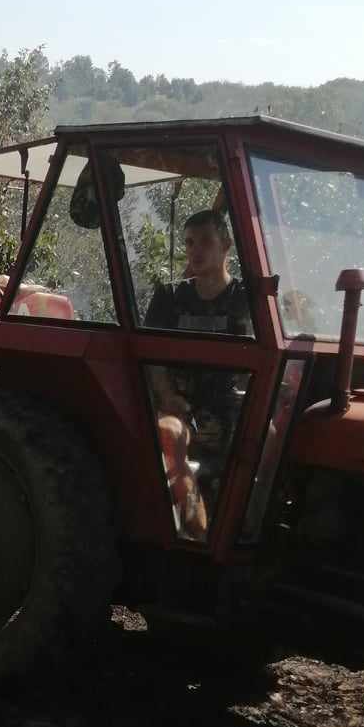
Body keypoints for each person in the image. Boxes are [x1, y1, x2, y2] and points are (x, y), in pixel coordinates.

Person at [145, 206, 252, 530]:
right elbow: (152, 355)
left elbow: (252, 366)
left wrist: (234, 414)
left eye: (205, 241)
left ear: (226, 246)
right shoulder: (169, 297)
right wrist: (167, 396)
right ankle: (196, 537)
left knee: (268, 436)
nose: (195, 250)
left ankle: (244, 529)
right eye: (190, 243)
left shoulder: (245, 299)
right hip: (177, 403)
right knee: (171, 437)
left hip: (226, 406)